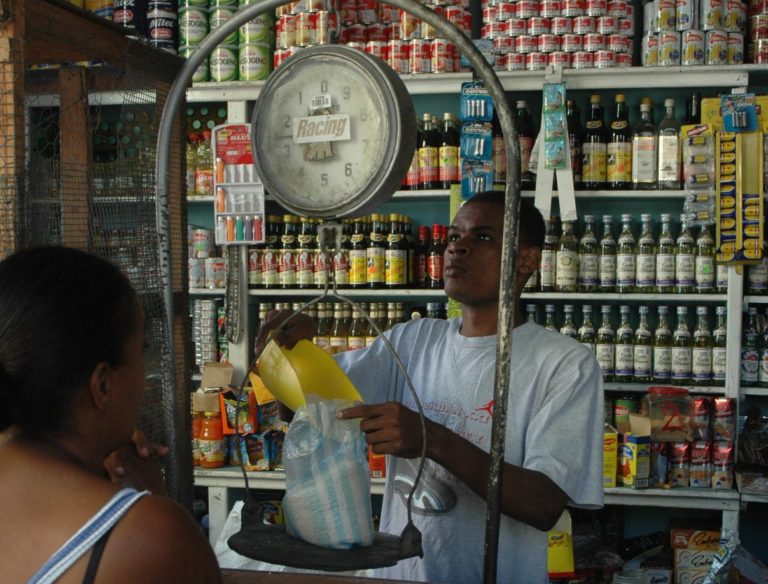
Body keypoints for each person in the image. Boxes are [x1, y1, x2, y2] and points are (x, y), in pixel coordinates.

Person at [258, 193, 604, 583]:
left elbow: (544, 504)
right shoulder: (411, 340)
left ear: (527, 260)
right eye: (453, 236)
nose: (457, 246)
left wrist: (431, 439)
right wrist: (290, 353)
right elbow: (307, 408)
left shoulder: (565, 364)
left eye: (483, 237)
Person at [0, 246, 221, 584]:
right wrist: (147, 503)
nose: (145, 384)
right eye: (141, 351)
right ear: (102, 385)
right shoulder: (152, 537)